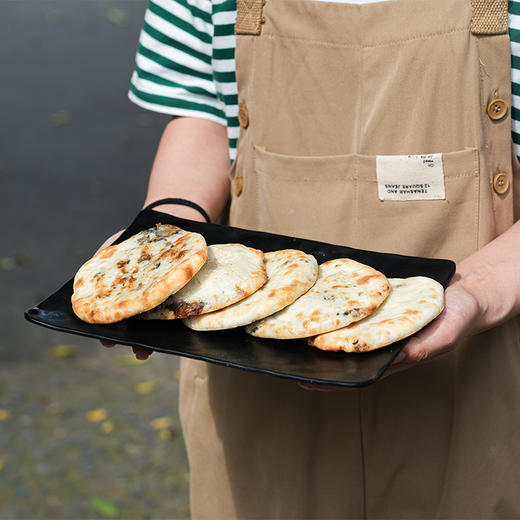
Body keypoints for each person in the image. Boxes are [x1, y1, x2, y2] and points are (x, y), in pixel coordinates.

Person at [106, 0, 520, 516]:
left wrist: (477, 293)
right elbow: (206, 111)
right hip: (256, 386)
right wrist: (167, 234)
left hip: (481, 370)